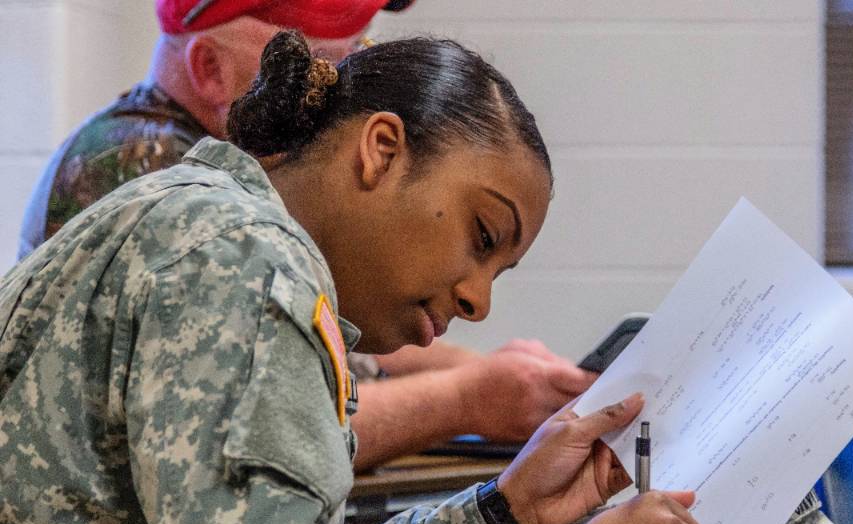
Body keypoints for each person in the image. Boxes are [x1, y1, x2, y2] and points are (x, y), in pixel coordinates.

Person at [0, 31, 712, 524]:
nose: (478, 299)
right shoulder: (239, 255)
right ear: (381, 151)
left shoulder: (216, 226)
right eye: (481, 236)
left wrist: (504, 514)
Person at [17, 0, 596, 471]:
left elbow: (327, 365)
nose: (346, 73)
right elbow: (277, 431)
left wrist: (499, 379)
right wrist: (471, 396)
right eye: (316, 54)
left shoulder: (250, 207)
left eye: (359, 46)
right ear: (210, 69)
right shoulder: (186, 203)